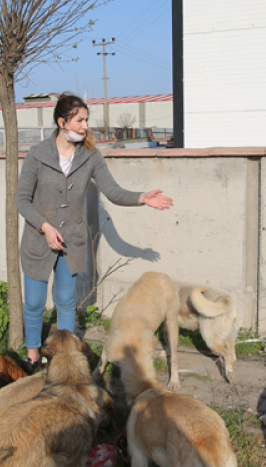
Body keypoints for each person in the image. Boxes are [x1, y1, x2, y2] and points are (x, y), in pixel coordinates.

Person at [16, 93, 173, 367]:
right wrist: (45, 227)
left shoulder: (90, 156)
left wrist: (141, 198)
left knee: (66, 302)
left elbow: (113, 192)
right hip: (38, 241)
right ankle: (31, 355)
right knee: (34, 303)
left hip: (71, 243)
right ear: (61, 121)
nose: (84, 126)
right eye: (79, 120)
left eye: (86, 120)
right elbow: (21, 200)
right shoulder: (37, 155)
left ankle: (64, 358)